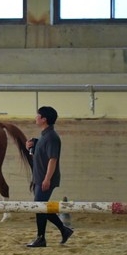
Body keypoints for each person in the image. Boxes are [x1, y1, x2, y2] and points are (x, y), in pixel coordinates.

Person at [25, 106, 74, 247]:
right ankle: (64, 230)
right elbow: (39, 157)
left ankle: (41, 238)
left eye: (37, 115)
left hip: (45, 179)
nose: (35, 118)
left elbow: (53, 159)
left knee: (39, 207)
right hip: (39, 177)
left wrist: (47, 179)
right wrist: (30, 148)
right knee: (42, 207)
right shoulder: (43, 136)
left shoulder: (51, 137)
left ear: (44, 119)